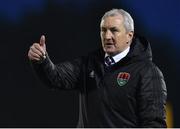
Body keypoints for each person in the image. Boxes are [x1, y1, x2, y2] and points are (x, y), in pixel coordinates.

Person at [28, 9, 167, 127]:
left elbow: (154, 124)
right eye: (103, 30)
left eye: (114, 30)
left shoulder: (148, 72)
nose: (107, 36)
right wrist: (43, 61)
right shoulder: (88, 63)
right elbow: (56, 77)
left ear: (129, 36)